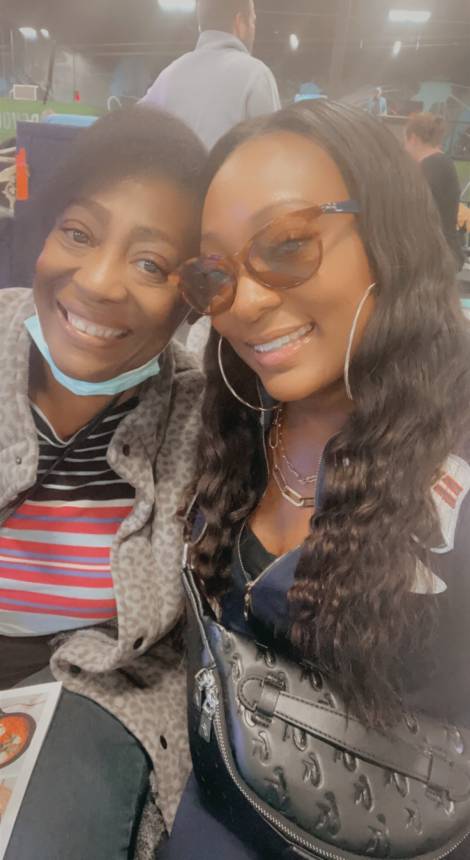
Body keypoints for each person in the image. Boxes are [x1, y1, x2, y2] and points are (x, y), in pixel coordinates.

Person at [164, 102, 470, 858]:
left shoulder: (453, 460)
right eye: (215, 273)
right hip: (217, 807)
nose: (246, 303)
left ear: (387, 231)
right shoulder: (235, 412)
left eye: (288, 245)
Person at [0, 106, 206, 859]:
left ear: (191, 298)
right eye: (78, 233)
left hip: (95, 688)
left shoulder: (203, 420)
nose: (97, 281)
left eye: (151, 264)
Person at [140, 0, 281, 150]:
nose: (254, 30)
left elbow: (133, 126)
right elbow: (274, 150)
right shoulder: (256, 75)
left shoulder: (168, 75)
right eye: (253, 21)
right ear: (239, 22)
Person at [405, 112, 463, 266]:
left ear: (413, 138)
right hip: (441, 252)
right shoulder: (441, 163)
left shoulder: (431, 167)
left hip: (434, 257)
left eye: (406, 142)